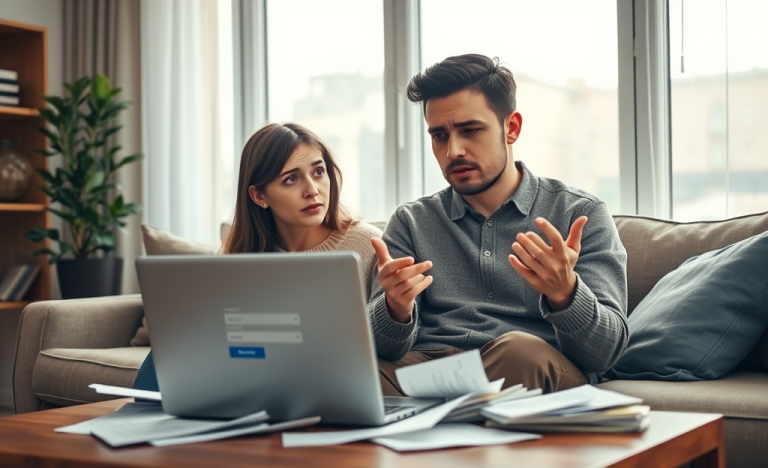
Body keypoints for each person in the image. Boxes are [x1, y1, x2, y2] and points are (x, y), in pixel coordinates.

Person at [368, 54, 628, 396]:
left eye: (470, 130)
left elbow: (605, 354)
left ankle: (439, 416)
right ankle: (446, 418)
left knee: (521, 352)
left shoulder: (580, 213)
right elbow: (380, 350)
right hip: (432, 367)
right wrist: (395, 310)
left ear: (512, 127)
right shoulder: (411, 221)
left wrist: (566, 293)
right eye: (439, 136)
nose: (453, 151)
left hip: (528, 364)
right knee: (349, 377)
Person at [133, 122, 382, 391]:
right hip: (252, 373)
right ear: (259, 195)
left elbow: (381, 337)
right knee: (176, 337)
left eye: (319, 171)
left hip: (322, 376)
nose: (312, 189)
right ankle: (137, 423)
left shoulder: (366, 243)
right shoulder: (241, 256)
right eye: (291, 179)